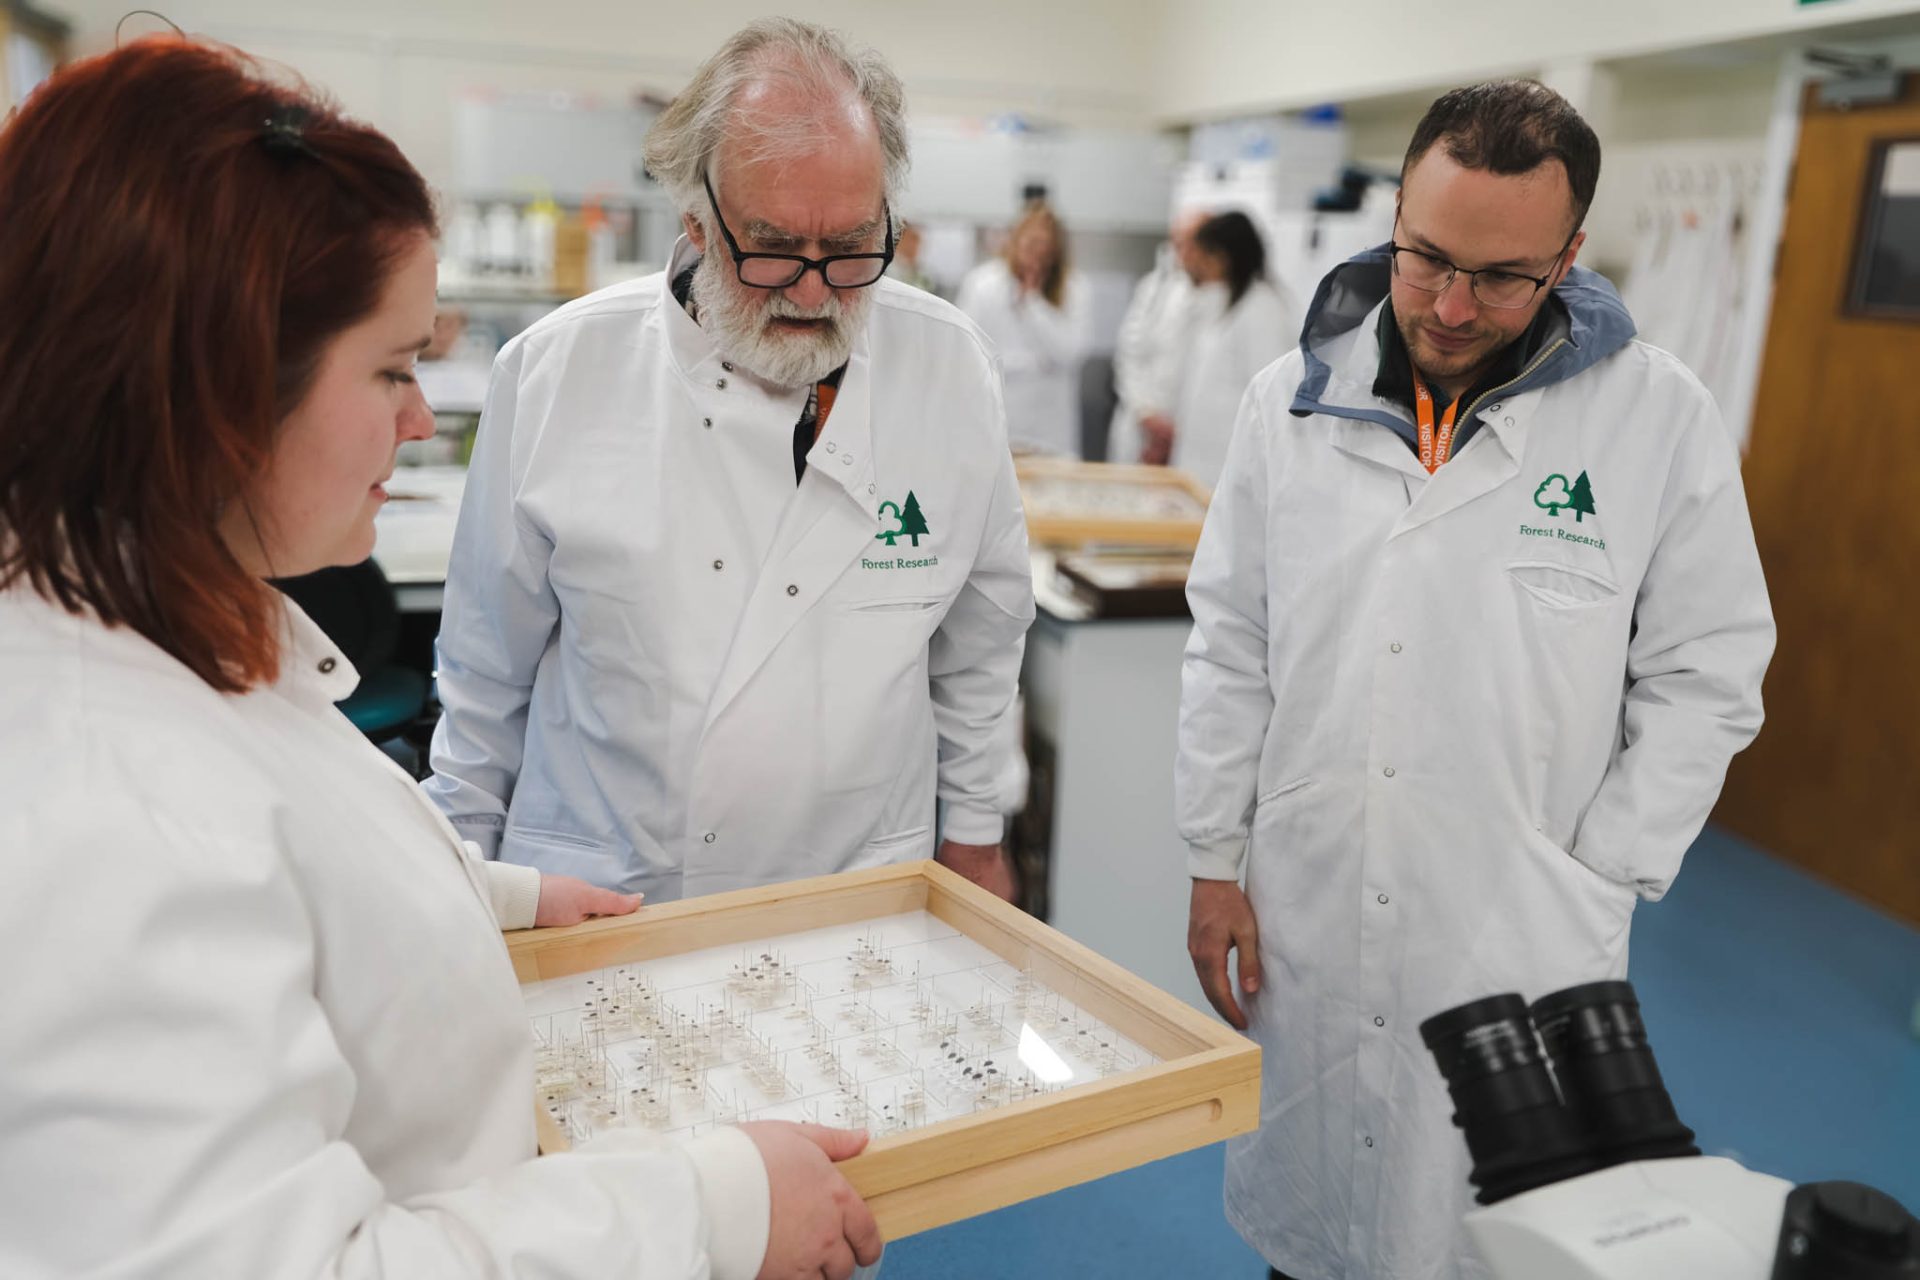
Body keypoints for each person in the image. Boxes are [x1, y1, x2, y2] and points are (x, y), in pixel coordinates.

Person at [0, 37, 882, 1280]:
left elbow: (295, 860)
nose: (422, 419)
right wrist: (712, 1209)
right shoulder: (102, 796)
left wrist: (497, 897)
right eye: (395, 367)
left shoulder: (155, 615)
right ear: (216, 390)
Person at [1176, 80, 1775, 1280]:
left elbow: (1711, 669)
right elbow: (1231, 637)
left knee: (1485, 1231)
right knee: (1313, 1233)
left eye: (1501, 276)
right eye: (1425, 257)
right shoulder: (1283, 406)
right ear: (1395, 210)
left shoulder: (1654, 417)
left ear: (1569, 254)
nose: (1450, 304)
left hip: (1520, 922)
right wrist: (1209, 853)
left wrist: (1597, 875)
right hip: (1315, 895)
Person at [426, 19, 1033, 905]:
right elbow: (485, 673)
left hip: (858, 888)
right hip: (609, 887)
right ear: (698, 221)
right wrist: (464, 886)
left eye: (853, 246)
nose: (817, 289)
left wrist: (977, 833)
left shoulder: (948, 367)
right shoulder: (560, 372)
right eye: (776, 248)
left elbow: (982, 635)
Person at [1159, 211, 1298, 490]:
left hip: (1232, 464)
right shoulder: (1225, 304)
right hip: (1202, 462)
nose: (1196, 265)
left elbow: (1271, 397)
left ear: (1223, 258)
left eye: (1203, 256)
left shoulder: (1262, 308)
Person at [955, 201, 1092, 455]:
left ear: (1055, 251)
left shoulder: (1074, 288)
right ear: (1014, 241)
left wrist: (1033, 305)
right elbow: (967, 352)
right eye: (1029, 243)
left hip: (1051, 431)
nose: (1035, 254)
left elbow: (1069, 353)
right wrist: (1031, 363)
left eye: (1043, 246)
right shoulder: (982, 285)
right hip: (996, 424)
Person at [1109, 207, 1206, 467]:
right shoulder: (1153, 287)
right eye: (1177, 242)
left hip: (1187, 432)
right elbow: (1129, 354)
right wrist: (1145, 413)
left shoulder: (1220, 297)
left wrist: (1173, 429)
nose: (1182, 250)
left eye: (1191, 242)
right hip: (1141, 425)